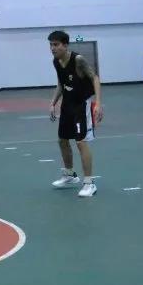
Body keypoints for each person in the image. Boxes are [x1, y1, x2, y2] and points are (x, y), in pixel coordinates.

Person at [48, 30, 103, 198]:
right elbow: (61, 83)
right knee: (62, 140)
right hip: (67, 104)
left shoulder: (78, 60)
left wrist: (98, 103)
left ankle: (89, 183)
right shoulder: (56, 61)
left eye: (56, 45)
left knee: (81, 142)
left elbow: (95, 78)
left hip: (81, 104)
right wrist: (53, 103)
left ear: (65, 45)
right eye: (51, 45)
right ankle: (70, 175)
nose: (52, 48)